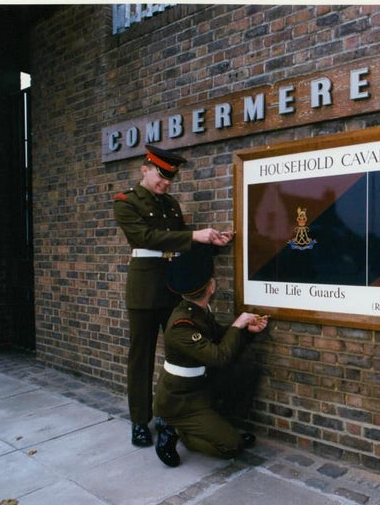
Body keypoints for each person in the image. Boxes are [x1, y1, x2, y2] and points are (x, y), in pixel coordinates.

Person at [114, 144, 234, 447]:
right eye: (161, 176)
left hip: (171, 289)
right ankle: (140, 420)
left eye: (170, 179)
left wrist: (214, 240)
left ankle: (169, 414)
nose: (166, 183)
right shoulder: (126, 202)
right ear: (145, 169)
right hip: (143, 291)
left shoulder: (170, 205)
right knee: (140, 358)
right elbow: (145, 237)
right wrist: (194, 235)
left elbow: (182, 243)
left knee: (177, 355)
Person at [153, 247, 268, 467]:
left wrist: (246, 331)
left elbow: (220, 338)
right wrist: (238, 323)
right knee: (231, 447)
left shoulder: (199, 311)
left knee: (245, 370)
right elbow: (219, 356)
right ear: (211, 286)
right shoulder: (181, 325)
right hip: (181, 402)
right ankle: (175, 429)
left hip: (200, 389)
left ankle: (216, 427)